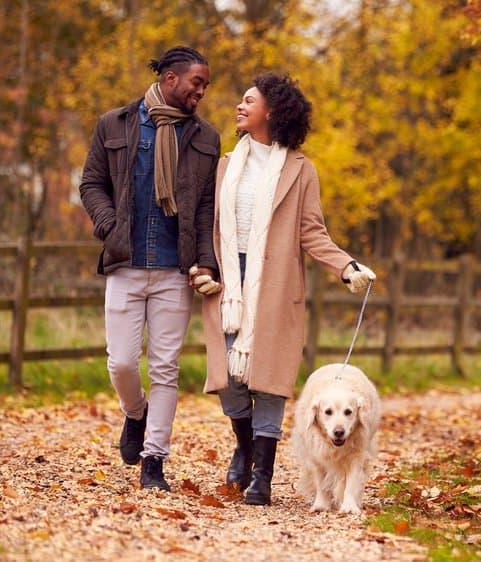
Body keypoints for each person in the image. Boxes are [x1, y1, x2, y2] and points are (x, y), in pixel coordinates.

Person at [200, 72, 376, 506]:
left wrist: (345, 265)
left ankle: (263, 474)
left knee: (270, 381)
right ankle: (243, 445)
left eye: (248, 101)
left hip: (276, 284)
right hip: (228, 283)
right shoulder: (225, 164)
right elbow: (208, 226)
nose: (239, 107)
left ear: (272, 112)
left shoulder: (301, 170)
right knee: (231, 380)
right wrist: (200, 265)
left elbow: (312, 232)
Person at [79, 46, 223, 492]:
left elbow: (203, 208)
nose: (202, 91)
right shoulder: (114, 124)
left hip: (174, 271)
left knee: (165, 368)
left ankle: (154, 461)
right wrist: (109, 225)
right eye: (196, 82)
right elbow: (91, 184)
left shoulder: (205, 138)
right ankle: (135, 414)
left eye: (205, 84)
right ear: (170, 80)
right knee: (122, 363)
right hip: (125, 262)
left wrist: (205, 261)